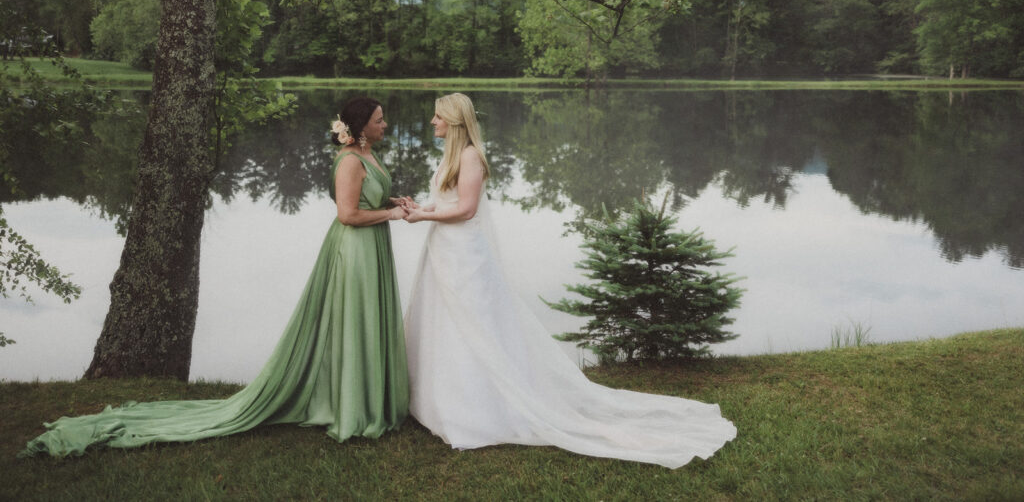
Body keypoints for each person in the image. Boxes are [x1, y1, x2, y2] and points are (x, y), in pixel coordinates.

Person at [21, 97, 410, 457]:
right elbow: (347, 215)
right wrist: (390, 215)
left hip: (372, 246)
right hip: (354, 251)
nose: (385, 124)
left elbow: (365, 199)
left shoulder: (368, 154)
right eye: (379, 120)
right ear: (359, 127)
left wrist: (392, 201)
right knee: (355, 322)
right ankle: (353, 407)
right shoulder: (349, 161)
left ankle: (365, 400)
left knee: (366, 321)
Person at [401, 93, 736, 468]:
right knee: (445, 326)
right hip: (444, 252)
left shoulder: (471, 157)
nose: (432, 122)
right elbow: (446, 200)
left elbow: (466, 209)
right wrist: (421, 207)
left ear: (454, 120)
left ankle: (479, 410)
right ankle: (445, 401)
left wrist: (424, 218)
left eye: (437, 116)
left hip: (465, 257)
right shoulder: (451, 155)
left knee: (476, 327)